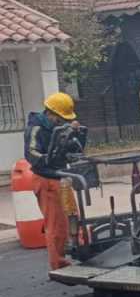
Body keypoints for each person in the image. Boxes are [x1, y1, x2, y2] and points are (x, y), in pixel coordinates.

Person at [23, 92, 86, 270]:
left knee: (73, 217)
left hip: (62, 176)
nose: (62, 122)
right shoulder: (36, 128)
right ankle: (59, 264)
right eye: (60, 118)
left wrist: (77, 134)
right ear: (50, 113)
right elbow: (31, 154)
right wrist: (49, 158)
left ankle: (81, 251)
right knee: (56, 224)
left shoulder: (59, 128)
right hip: (46, 179)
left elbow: (73, 148)